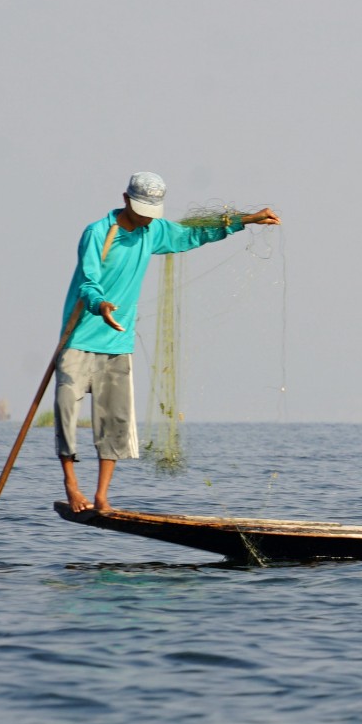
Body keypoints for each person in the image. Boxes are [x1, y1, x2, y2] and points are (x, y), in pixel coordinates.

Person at [56, 173, 281, 513]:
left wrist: (246, 220)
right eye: (141, 209)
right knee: (66, 412)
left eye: (151, 211)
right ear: (125, 199)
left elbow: (193, 234)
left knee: (114, 421)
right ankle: (72, 485)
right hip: (79, 337)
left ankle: (102, 496)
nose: (147, 217)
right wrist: (100, 306)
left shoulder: (153, 232)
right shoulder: (98, 233)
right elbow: (88, 281)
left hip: (118, 341)